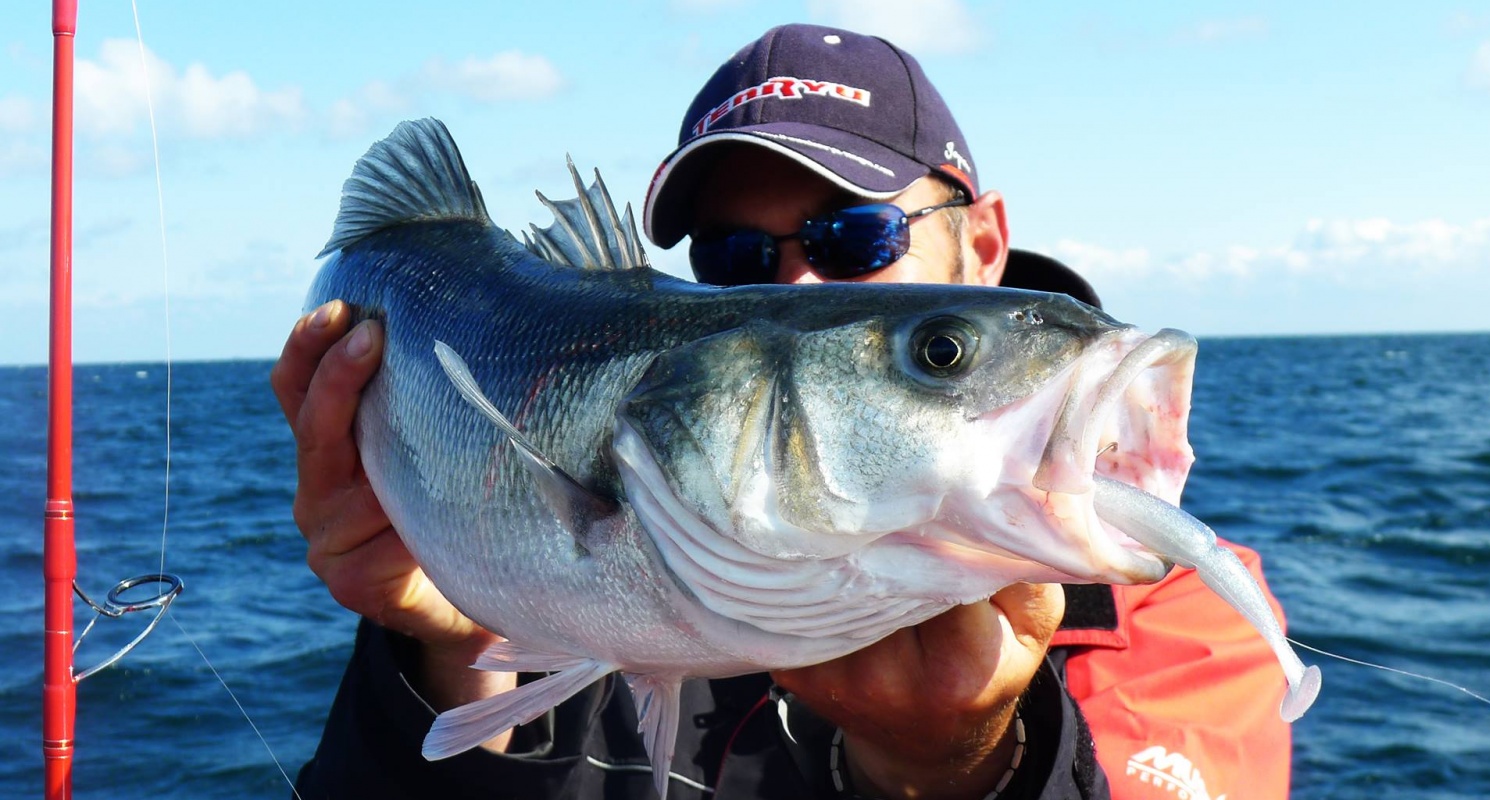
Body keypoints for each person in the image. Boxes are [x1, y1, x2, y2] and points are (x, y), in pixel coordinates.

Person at [274, 23, 1292, 800]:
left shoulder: (1184, 624)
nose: (799, 284)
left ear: (982, 244)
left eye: (854, 235)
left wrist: (960, 768)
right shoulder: (668, 575)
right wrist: (454, 646)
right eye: (735, 261)